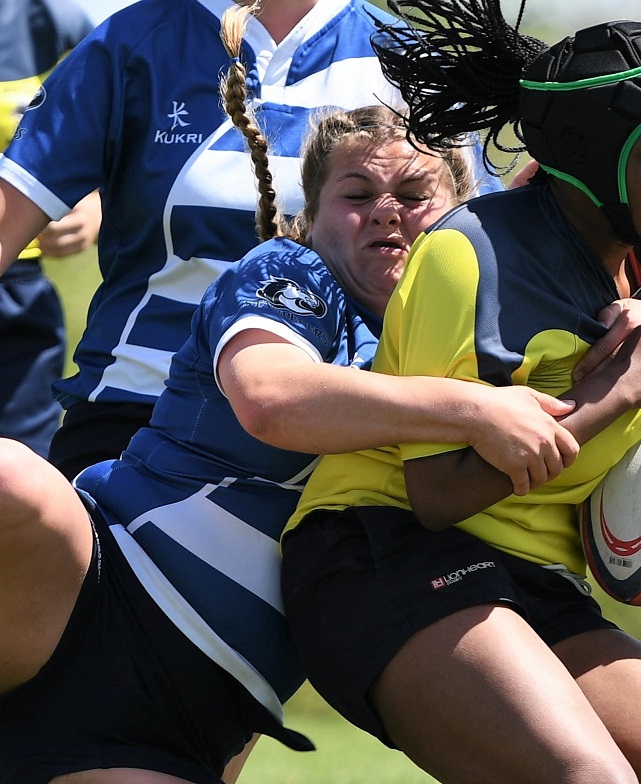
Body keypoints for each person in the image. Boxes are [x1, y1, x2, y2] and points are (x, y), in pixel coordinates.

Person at [0, 46, 602, 778]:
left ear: (465, 218)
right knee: (13, 481)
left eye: (414, 194)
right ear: (311, 218)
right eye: (356, 195)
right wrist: (474, 408)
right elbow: (270, 398)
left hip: (187, 713)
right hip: (99, 581)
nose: (386, 210)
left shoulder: (485, 338)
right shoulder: (291, 271)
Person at [283, 4, 641, 783]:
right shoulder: (467, 255)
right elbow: (436, 494)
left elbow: (607, 501)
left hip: (538, 582)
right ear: (587, 165)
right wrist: (622, 389)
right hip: (383, 554)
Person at [0, 0, 496, 479]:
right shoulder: (133, 43)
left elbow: (486, 263)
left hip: (363, 438)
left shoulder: (416, 62)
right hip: (136, 425)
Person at [0, 0, 101, 457]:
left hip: (21, 306)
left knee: (21, 476)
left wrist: (94, 203)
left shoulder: (53, 21)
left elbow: (120, 130)